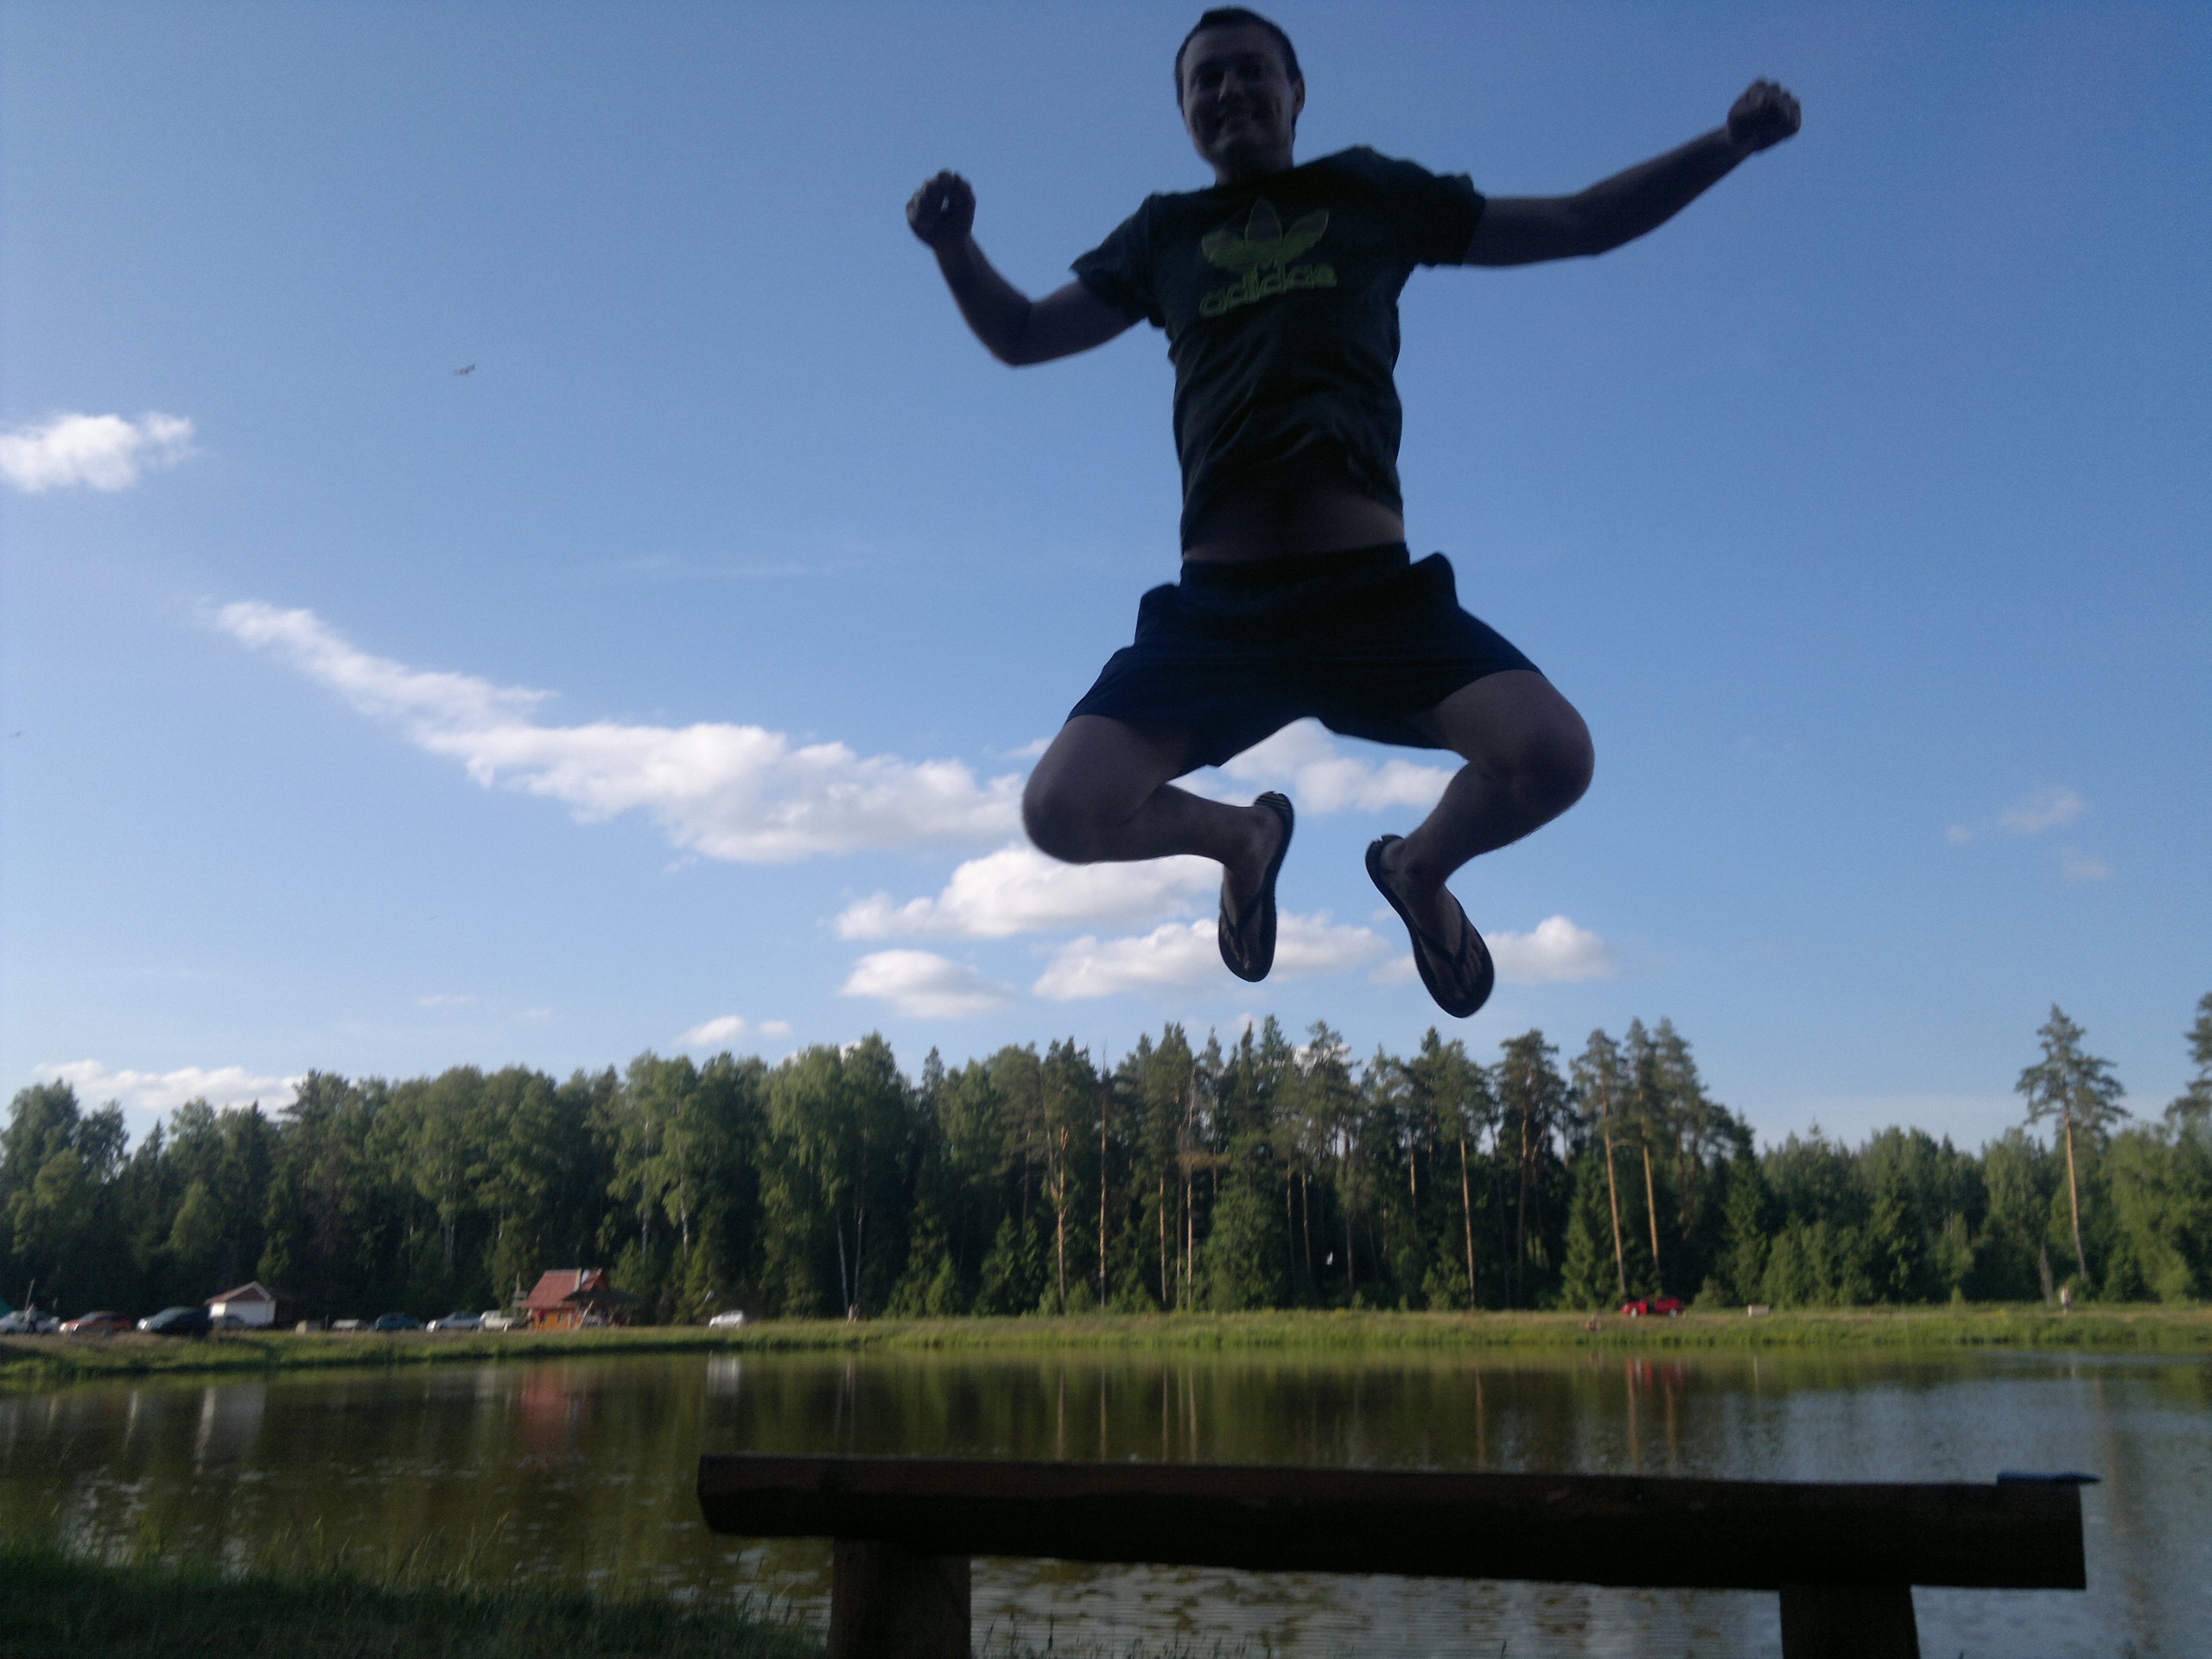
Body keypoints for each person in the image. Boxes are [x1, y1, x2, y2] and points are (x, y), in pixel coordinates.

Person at [907, 8, 1799, 1016]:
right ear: (1183, 111)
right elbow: (1025, 333)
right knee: (1059, 812)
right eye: (1205, 80)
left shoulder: (1367, 194)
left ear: (1296, 92)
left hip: (1374, 603)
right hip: (1218, 619)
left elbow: (1580, 222)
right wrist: (954, 248)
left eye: (1251, 71)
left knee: (1554, 757)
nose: (1229, 91)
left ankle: (1418, 869)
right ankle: (1241, 838)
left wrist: (1726, 144)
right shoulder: (1164, 235)